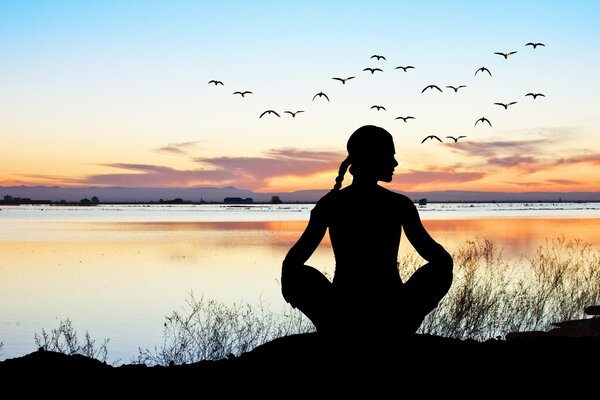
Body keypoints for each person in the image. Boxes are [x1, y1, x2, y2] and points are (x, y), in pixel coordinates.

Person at [281, 125, 453, 349]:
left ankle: (336, 329)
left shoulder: (331, 204)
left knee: (296, 273)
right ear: (372, 157)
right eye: (390, 156)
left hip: (343, 309)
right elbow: (441, 260)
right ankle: (390, 330)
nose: (395, 163)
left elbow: (291, 264)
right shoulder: (398, 205)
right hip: (391, 310)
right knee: (441, 268)